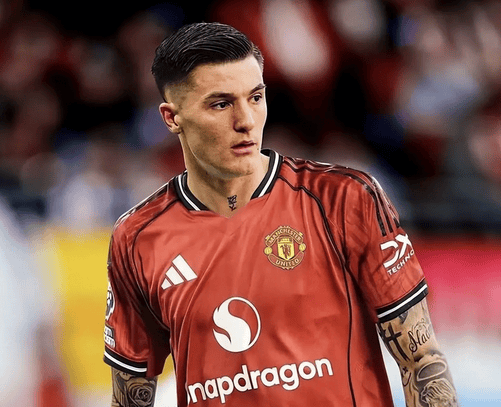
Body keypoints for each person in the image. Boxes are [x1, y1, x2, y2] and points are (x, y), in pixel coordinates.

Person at [103, 22, 458, 407]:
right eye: (221, 104)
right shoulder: (137, 238)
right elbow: (130, 397)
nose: (246, 120)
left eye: (255, 97)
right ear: (172, 117)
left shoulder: (343, 199)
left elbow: (422, 362)